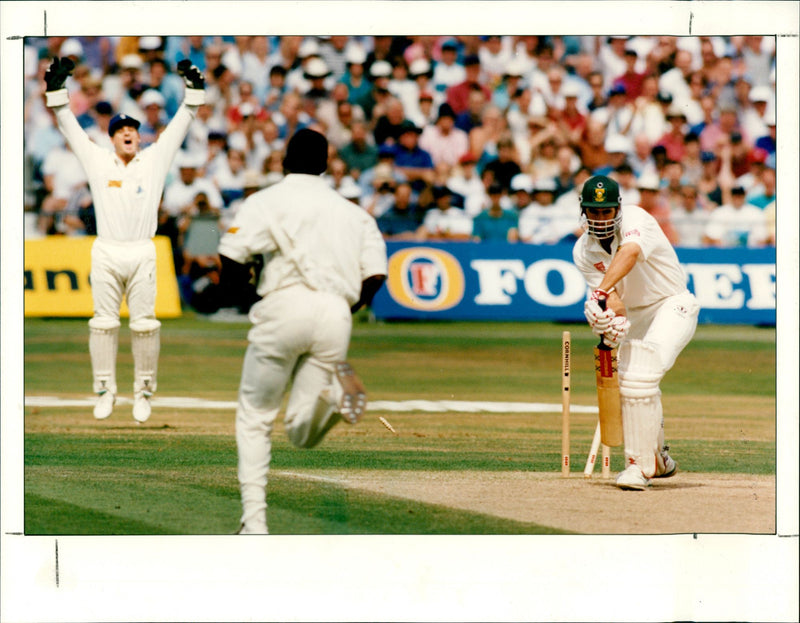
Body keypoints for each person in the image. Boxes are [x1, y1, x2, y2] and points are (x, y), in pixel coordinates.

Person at [216, 129, 387, 534]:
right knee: (300, 432)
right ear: (326, 164)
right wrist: (346, 308)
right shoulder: (354, 212)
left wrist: (248, 300)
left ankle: (254, 522)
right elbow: (376, 274)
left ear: (284, 161)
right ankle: (332, 397)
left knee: (256, 417)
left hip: (284, 303)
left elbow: (230, 256)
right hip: (335, 314)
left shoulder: (263, 201)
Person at [44, 55, 206, 422]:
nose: (128, 133)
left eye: (132, 128)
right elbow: (69, 128)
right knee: (103, 323)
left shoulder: (154, 161)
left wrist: (194, 92)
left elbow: (181, 125)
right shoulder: (98, 161)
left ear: (138, 135)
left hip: (142, 251)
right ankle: (104, 391)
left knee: (145, 325)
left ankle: (144, 393)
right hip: (107, 251)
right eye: (120, 130)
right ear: (112, 137)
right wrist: (57, 91)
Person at [573, 175, 699, 490]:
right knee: (631, 385)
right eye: (593, 211)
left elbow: (628, 254)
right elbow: (615, 302)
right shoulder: (583, 251)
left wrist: (598, 294)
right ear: (583, 211)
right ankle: (657, 459)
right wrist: (610, 324)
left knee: (642, 375)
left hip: (672, 304)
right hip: (638, 316)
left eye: (605, 212)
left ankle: (638, 467)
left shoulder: (637, 218)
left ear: (617, 208)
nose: (600, 219)